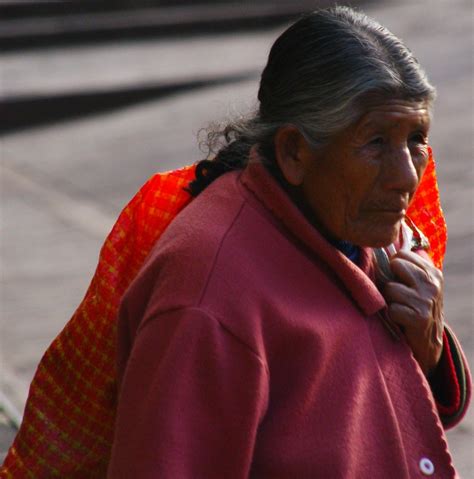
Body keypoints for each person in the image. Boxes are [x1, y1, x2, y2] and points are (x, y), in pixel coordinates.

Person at [106, 6, 470, 479]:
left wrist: (428, 346)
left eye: (416, 138)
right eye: (376, 141)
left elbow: (393, 421)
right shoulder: (207, 300)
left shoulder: (360, 230)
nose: (406, 176)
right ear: (295, 151)